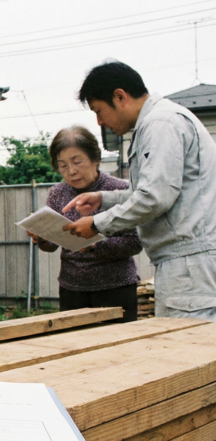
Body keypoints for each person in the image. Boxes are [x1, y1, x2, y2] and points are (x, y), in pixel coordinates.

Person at [62, 61, 216, 320]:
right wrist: (103, 198)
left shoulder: (161, 124)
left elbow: (155, 198)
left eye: (99, 111)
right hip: (187, 262)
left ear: (120, 96)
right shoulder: (157, 123)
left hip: (190, 264)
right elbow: (149, 191)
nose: (100, 121)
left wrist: (97, 224)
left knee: (187, 350)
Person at [27, 126, 142, 322]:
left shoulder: (119, 190)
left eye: (77, 161)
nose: (71, 171)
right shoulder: (57, 193)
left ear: (95, 158)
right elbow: (52, 245)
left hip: (116, 288)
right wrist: (42, 238)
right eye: (62, 165)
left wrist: (95, 245)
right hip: (72, 289)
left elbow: (135, 242)